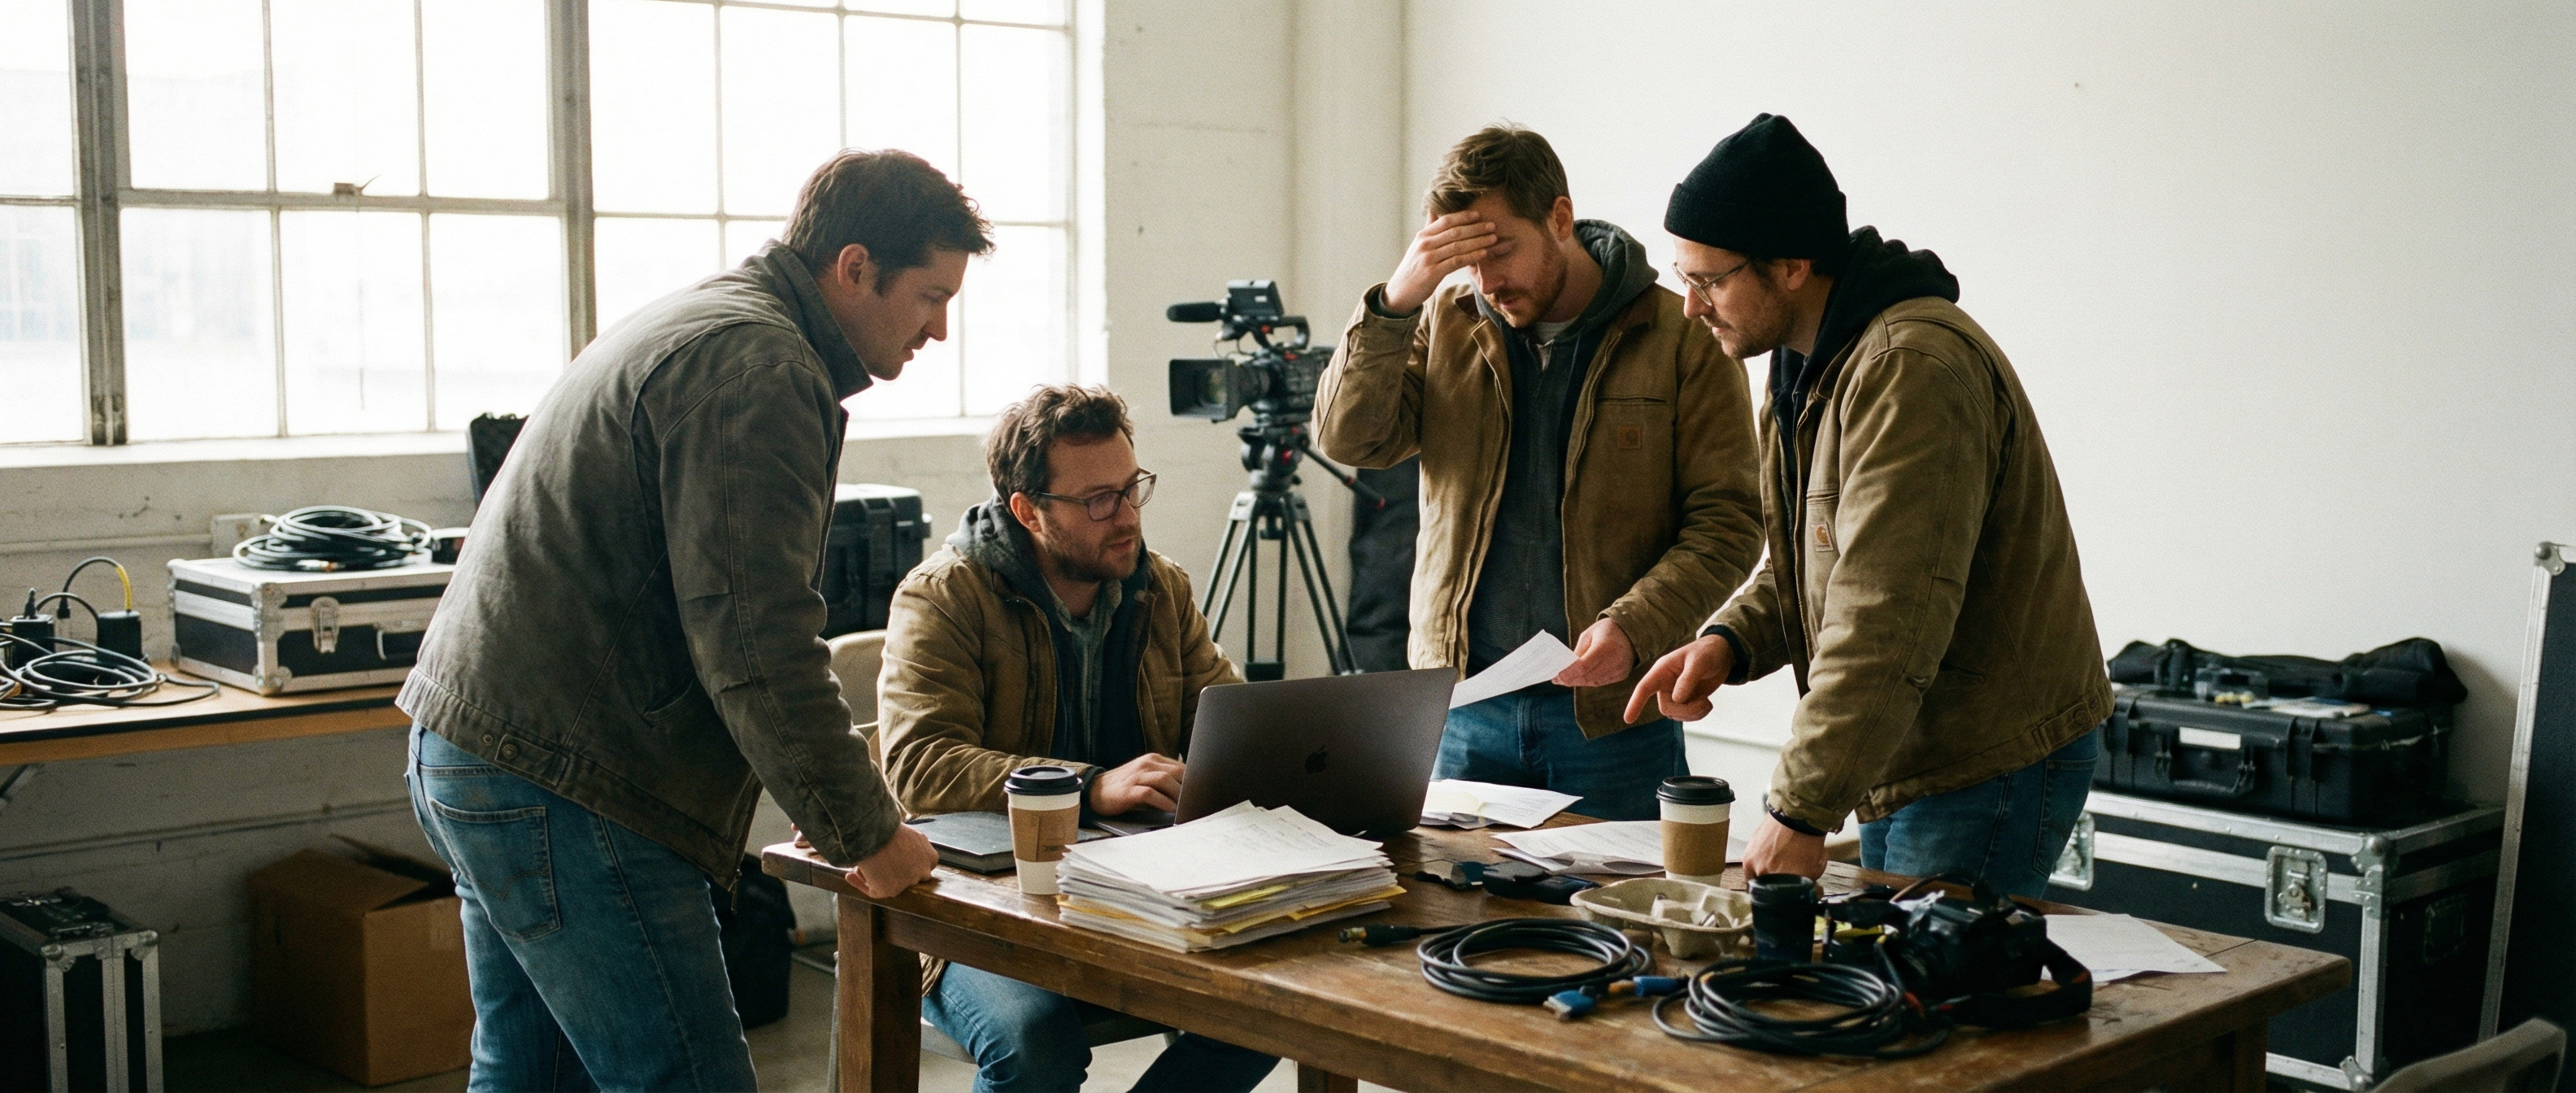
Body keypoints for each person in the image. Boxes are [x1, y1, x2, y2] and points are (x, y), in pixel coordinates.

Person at [398, 150, 974, 1091]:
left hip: (479, 750)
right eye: (929, 295)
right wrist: (868, 833)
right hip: (571, 784)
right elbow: (756, 646)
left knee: (529, 1074)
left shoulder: (716, 321)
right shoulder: (760, 368)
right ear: (856, 266)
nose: (940, 329)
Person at [1626, 114, 2112, 898]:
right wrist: (1728, 642)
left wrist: (1799, 809)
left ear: (1790, 266)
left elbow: (1887, 616)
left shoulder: (1910, 371)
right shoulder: (1807, 363)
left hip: (1982, 761)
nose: (1690, 306)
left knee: (1935, 1010)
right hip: (1904, 747)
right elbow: (1818, 561)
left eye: (1709, 280)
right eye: (1684, 277)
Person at [1314, 124, 1764, 821]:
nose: (1488, 282)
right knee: (1453, 921)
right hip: (1461, 711)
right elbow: (1351, 436)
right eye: (1465, 261)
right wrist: (1397, 300)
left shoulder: (1677, 332)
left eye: (1499, 251)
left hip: (1614, 718)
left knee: (1619, 923)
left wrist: (1636, 626)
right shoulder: (1447, 318)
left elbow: (1730, 520)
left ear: (1559, 217)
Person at [875, 385, 1277, 1093]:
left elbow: (1225, 718)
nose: (1125, 518)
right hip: (971, 902)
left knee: (1279, 1007)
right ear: (1028, 510)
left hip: (1129, 890)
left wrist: (1291, 752)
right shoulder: (944, 595)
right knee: (1033, 1044)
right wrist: (1089, 784)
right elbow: (920, 764)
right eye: (1098, 501)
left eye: (1130, 490)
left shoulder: (1162, 589)